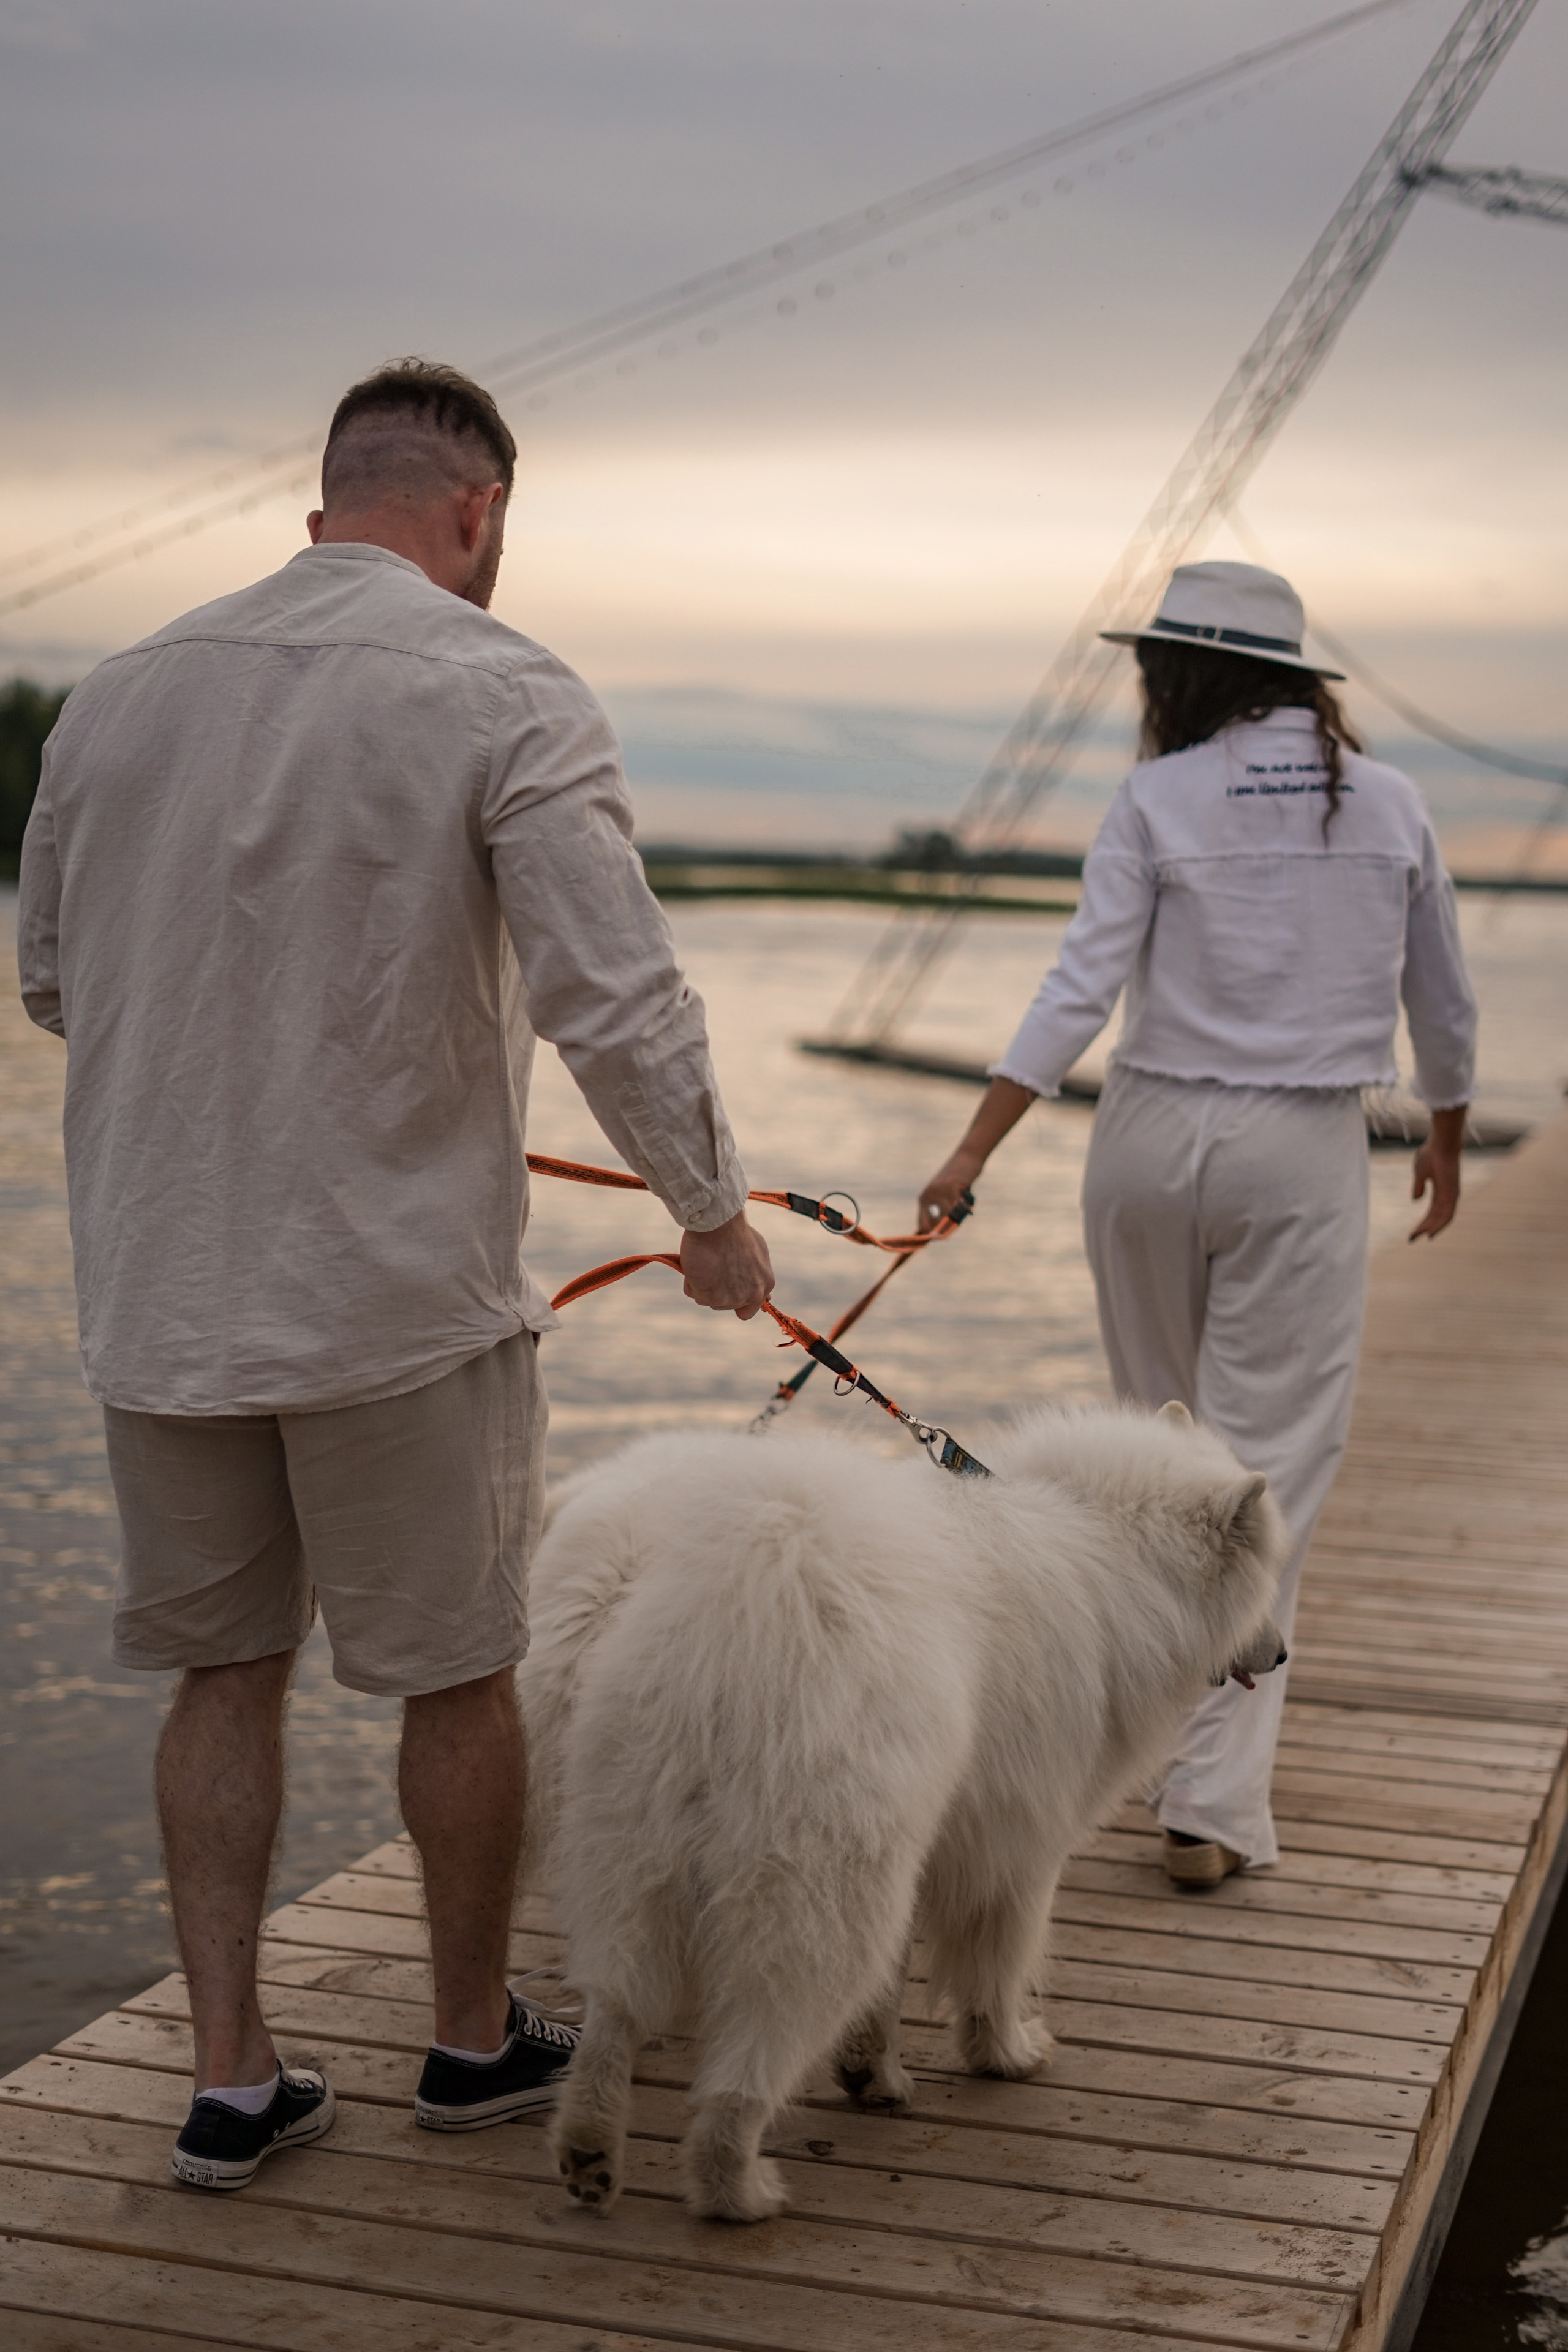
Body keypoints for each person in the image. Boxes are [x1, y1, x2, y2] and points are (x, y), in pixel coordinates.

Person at [17, 358, 774, 2188]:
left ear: (321, 504)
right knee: (462, 1673)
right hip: (395, 1301)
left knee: (220, 1676)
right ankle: (463, 2045)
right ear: (479, 513)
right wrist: (711, 1209)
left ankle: (229, 2077)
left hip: (161, 1291)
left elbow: (51, 982)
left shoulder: (114, 701)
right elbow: (614, 988)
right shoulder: (503, 684)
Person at [916, 560, 1477, 1887]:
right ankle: (1208, 1806)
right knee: (1259, 1474)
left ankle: (1131, 1751)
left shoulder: (1154, 795)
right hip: (1294, 1144)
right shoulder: (1388, 803)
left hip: (1146, 1140)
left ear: (1181, 673)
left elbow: (1077, 987)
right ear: (1290, 677)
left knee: (1159, 1469)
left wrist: (969, 1147)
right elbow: (1442, 1001)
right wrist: (1444, 1135)